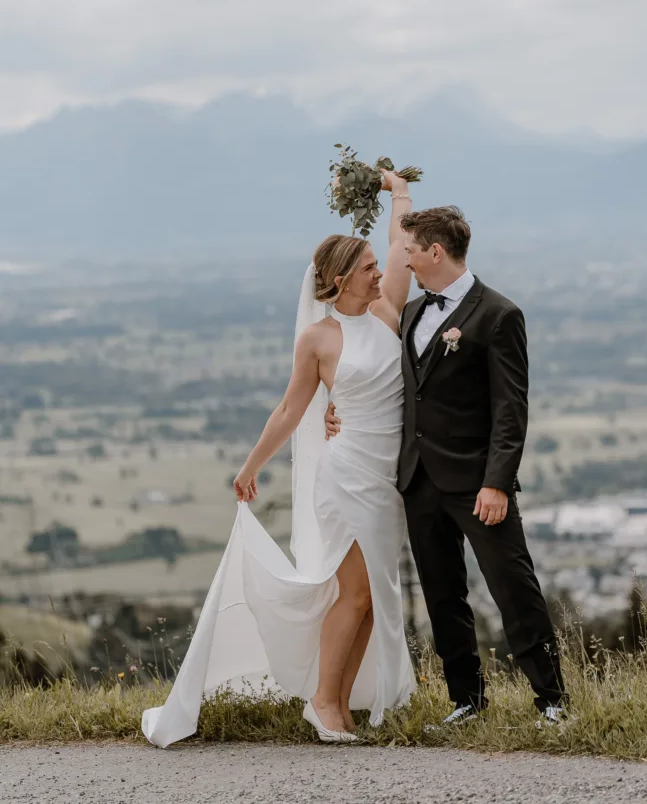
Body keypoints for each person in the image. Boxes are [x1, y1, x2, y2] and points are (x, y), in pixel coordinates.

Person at [141, 170, 416, 748]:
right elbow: (291, 411)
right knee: (360, 593)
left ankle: (338, 700)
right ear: (341, 279)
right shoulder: (319, 337)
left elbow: (398, 245)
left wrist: (398, 193)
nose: (379, 272)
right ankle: (324, 702)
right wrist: (250, 467)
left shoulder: (388, 312)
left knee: (374, 597)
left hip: (389, 476)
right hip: (346, 476)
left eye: (375, 266)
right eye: (366, 268)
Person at [326, 206, 567, 725]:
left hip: (478, 483)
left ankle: (551, 701)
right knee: (443, 594)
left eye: (409, 251)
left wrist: (497, 483)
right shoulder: (410, 313)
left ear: (436, 252)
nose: (404, 261)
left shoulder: (498, 315)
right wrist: (335, 408)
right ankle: (467, 700)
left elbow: (510, 408)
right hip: (417, 480)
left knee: (513, 587)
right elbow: (392, 387)